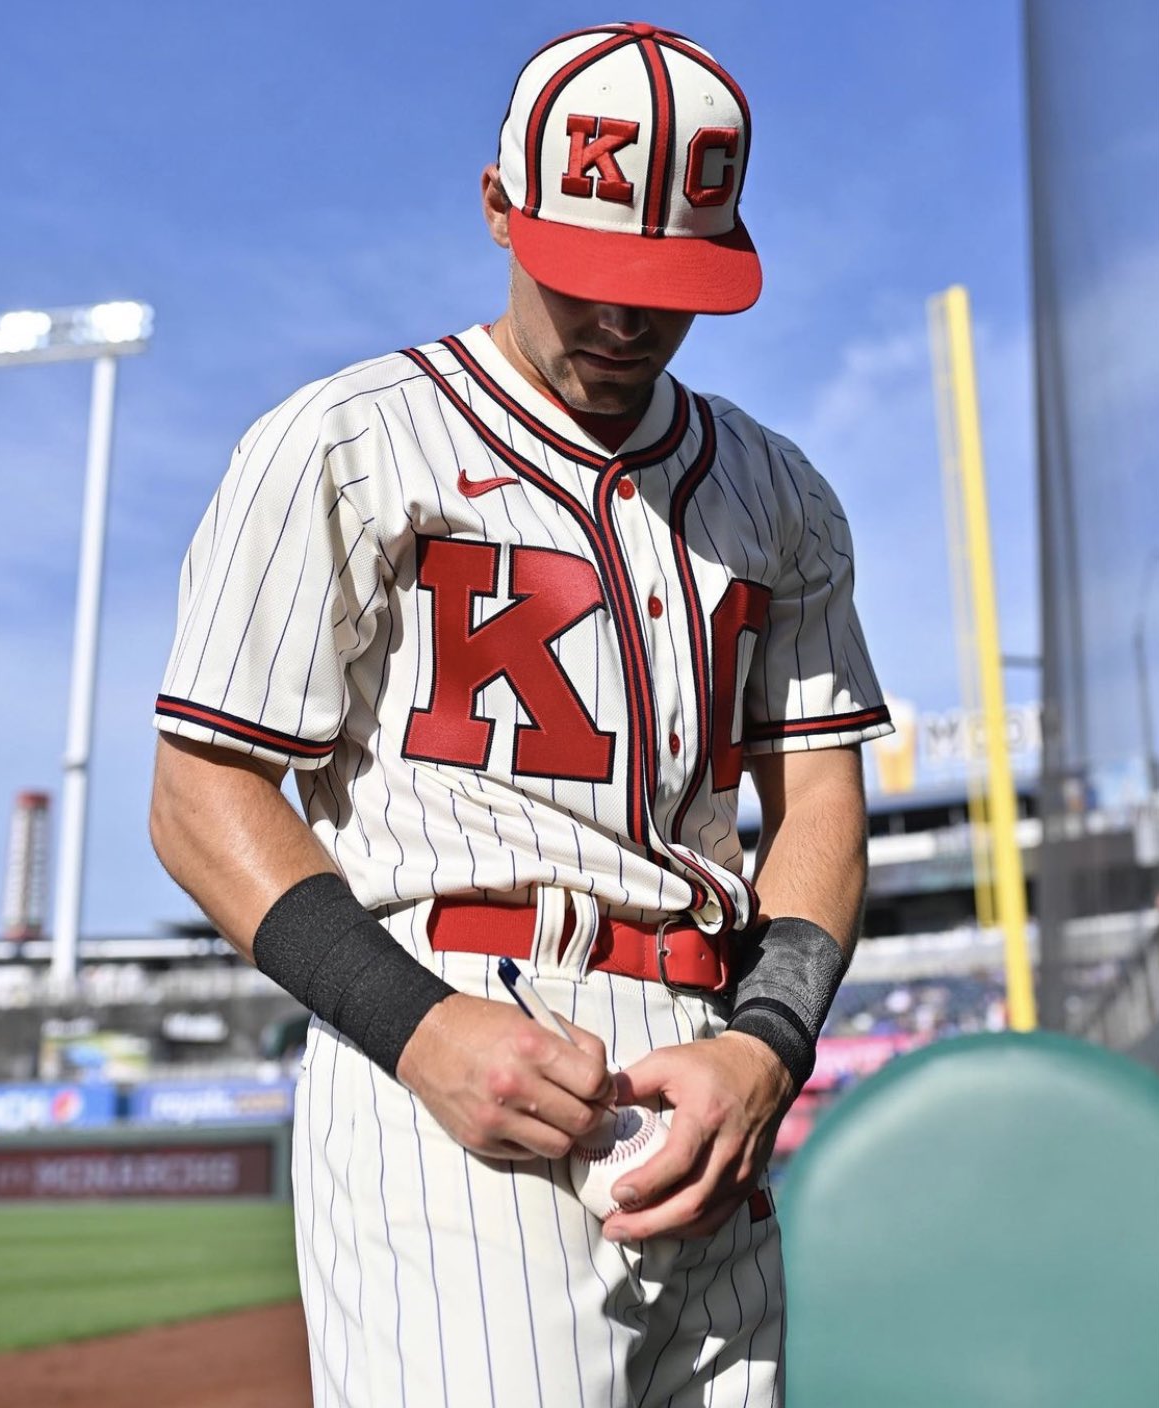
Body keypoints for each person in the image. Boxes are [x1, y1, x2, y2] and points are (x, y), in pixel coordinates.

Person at [149, 20, 892, 1408]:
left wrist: (765, 1042)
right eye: (591, 276)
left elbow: (818, 799)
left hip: (710, 1083)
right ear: (498, 207)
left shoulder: (779, 492)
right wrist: (414, 1028)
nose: (623, 320)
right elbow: (201, 796)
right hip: (460, 1044)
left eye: (664, 287)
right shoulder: (349, 438)